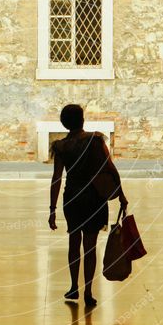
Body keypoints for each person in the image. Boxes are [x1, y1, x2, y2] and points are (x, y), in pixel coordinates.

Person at [48, 103, 128, 308]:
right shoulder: (95, 140)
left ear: (64, 123)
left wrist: (52, 209)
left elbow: (56, 179)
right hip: (94, 197)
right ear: (82, 119)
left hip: (72, 198)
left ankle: (74, 286)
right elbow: (110, 168)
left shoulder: (60, 147)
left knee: (73, 243)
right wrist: (121, 194)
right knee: (90, 246)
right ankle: (89, 291)